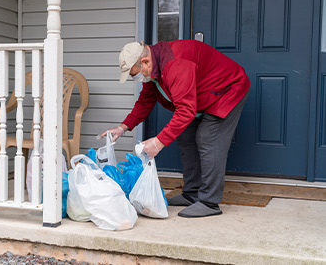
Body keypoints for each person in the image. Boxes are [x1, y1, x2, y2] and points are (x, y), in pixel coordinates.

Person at [100, 40, 250, 218]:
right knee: (185, 137)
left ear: (146, 61)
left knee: (208, 137)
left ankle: (209, 202)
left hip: (226, 91)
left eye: (135, 74)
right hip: (200, 98)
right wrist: (123, 127)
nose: (137, 79)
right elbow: (146, 101)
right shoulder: (153, 71)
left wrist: (158, 142)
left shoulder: (176, 64)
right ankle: (192, 193)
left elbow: (186, 110)